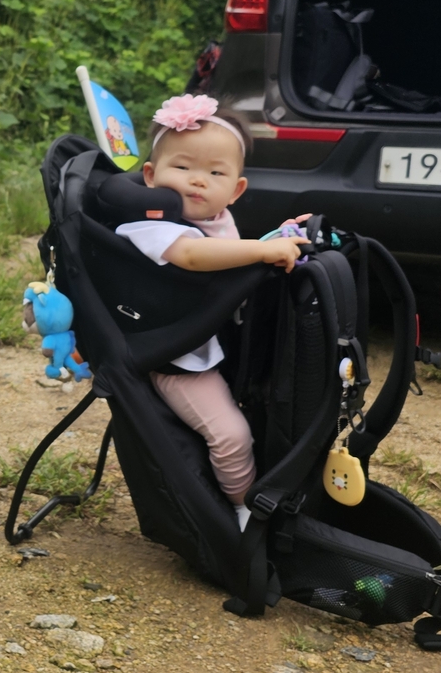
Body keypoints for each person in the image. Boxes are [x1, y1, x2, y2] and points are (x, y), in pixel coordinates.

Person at [114, 92, 308, 529]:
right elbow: (194, 258)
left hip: (211, 341)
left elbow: (228, 253)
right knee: (231, 435)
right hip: (175, 358)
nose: (197, 181)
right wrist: (261, 251)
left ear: (236, 189)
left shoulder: (215, 218)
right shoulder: (149, 222)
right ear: (151, 175)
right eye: (181, 167)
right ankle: (244, 509)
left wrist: (280, 237)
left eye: (215, 172)